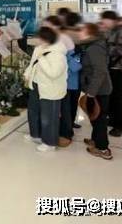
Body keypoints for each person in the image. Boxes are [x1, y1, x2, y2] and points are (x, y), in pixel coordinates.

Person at [23, 27, 67, 152]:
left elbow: (53, 73)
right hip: (36, 84)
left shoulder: (58, 53)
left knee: (49, 117)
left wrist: (42, 59)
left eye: (39, 37)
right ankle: (35, 135)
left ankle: (50, 143)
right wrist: (27, 74)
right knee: (33, 111)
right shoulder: (39, 49)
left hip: (50, 89)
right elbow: (32, 64)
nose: (37, 40)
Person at [78, 23, 113, 160]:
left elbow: (100, 72)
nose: (79, 33)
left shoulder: (94, 48)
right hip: (96, 88)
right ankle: (96, 140)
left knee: (99, 119)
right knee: (95, 116)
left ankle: (103, 148)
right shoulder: (94, 45)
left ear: (90, 33)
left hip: (99, 90)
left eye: (82, 31)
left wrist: (91, 94)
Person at [43, 16, 77, 147]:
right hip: (60, 78)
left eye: (47, 25)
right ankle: (61, 131)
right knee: (61, 106)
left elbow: (67, 60)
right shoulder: (56, 38)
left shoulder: (62, 38)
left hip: (66, 78)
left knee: (65, 106)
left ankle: (66, 134)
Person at [99, 10, 122, 137]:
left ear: (111, 20)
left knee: (117, 97)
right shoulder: (108, 31)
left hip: (117, 69)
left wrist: (105, 49)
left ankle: (119, 126)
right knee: (110, 96)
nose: (103, 23)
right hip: (108, 68)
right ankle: (112, 119)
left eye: (104, 20)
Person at [63, 12, 84, 128]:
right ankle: (69, 123)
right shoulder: (73, 35)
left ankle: (69, 122)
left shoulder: (65, 34)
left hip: (70, 73)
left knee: (69, 101)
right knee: (71, 100)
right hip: (73, 71)